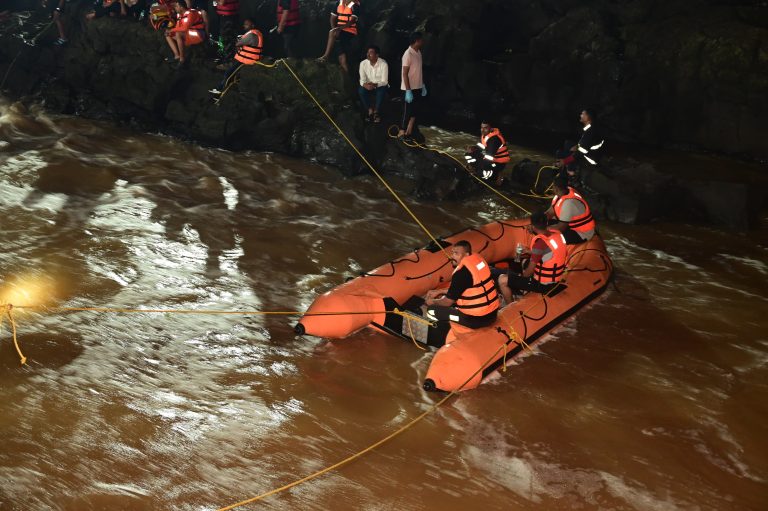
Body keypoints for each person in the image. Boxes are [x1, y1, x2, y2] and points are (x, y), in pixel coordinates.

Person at [424, 240, 499, 330]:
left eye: (456, 253)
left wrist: (433, 302)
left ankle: (446, 330)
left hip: (476, 320)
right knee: (448, 299)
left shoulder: (461, 274)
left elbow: (447, 302)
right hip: (493, 313)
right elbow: (465, 288)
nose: (452, 256)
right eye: (452, 253)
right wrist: (439, 291)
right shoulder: (477, 262)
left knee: (431, 310)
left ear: (466, 255)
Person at [497, 212, 568, 303]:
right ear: (546, 223)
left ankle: (510, 305)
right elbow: (550, 252)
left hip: (543, 284)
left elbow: (529, 273)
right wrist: (529, 252)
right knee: (524, 262)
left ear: (533, 226)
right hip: (557, 277)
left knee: (502, 279)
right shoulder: (557, 234)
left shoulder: (539, 244)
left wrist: (520, 278)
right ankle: (524, 290)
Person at [208, 18, 263, 96]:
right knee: (233, 74)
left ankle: (220, 89)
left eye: (246, 24)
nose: (244, 26)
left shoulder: (251, 35)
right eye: (244, 24)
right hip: (248, 59)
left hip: (246, 60)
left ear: (252, 25)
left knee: (228, 73)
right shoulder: (257, 33)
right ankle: (231, 88)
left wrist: (239, 41)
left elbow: (238, 44)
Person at [556, 109, 605, 181]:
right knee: (568, 143)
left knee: (560, 153)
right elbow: (585, 144)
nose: (580, 115)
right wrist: (578, 146)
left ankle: (571, 173)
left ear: (588, 117)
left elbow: (579, 153)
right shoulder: (591, 127)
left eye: (583, 114)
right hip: (592, 153)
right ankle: (568, 167)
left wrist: (565, 161)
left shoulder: (590, 132)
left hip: (590, 158)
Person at [545, 176, 596, 244]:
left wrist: (542, 229)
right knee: (545, 224)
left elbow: (560, 228)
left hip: (581, 233)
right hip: (569, 225)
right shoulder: (561, 194)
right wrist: (537, 222)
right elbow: (549, 213)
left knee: (551, 235)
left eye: (553, 186)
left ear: (556, 188)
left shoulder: (569, 203)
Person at [316, 0, 360, 73]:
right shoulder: (338, 3)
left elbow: (352, 21)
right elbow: (332, 18)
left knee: (333, 33)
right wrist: (335, 29)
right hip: (339, 30)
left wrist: (338, 29)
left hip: (350, 31)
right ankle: (347, 72)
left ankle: (326, 56)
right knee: (341, 52)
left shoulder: (355, 4)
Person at [398, 31, 425, 141]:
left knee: (414, 110)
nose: (423, 41)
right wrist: (408, 90)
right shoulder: (408, 54)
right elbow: (405, 73)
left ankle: (408, 132)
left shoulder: (418, 52)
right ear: (417, 41)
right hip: (408, 88)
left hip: (417, 86)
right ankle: (401, 132)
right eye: (421, 40)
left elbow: (418, 70)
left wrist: (422, 84)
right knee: (407, 111)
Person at [464, 121, 511, 186]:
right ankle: (474, 169)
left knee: (482, 173)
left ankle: (498, 176)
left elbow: (488, 158)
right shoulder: (485, 135)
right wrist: (472, 149)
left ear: (491, 129)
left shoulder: (494, 139)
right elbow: (479, 148)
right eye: (482, 128)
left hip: (498, 163)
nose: (483, 130)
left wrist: (478, 168)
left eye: (485, 128)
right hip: (489, 159)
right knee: (468, 155)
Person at [165, 2, 207, 68]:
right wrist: (170, 31)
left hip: (198, 34)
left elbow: (185, 28)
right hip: (189, 34)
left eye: (176, 6)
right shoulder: (179, 15)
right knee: (168, 34)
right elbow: (178, 27)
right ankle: (177, 55)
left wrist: (171, 30)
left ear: (181, 7)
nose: (175, 8)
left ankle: (182, 59)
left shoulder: (191, 13)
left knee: (178, 34)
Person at [358, 45, 388, 123]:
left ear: (377, 55)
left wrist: (375, 85)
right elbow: (362, 80)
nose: (368, 54)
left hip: (379, 84)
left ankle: (376, 112)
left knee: (382, 90)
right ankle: (370, 110)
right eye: (367, 52)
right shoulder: (363, 63)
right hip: (368, 84)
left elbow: (385, 81)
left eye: (371, 53)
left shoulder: (383, 64)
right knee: (361, 91)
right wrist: (365, 85)